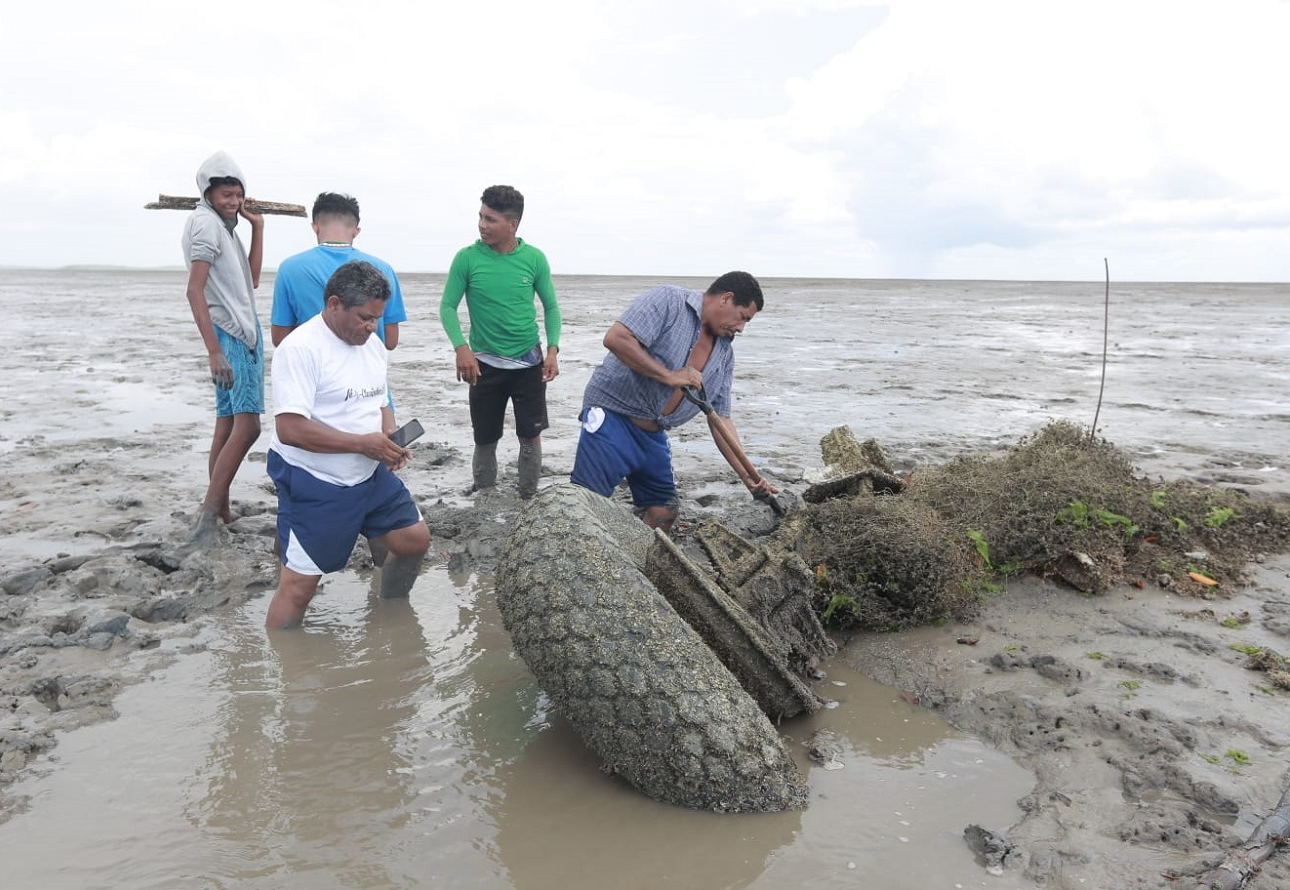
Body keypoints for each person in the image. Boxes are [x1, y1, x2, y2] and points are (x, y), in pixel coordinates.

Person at [264, 260, 431, 630]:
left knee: (414, 540)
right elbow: (290, 428)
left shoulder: (371, 344)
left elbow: (380, 398)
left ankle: (391, 613)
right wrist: (363, 444)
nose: (373, 328)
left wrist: (388, 439)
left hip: (369, 473)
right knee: (299, 588)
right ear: (335, 303)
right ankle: (285, 667)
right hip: (315, 479)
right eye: (365, 318)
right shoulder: (300, 349)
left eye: (378, 318)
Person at [570, 271, 778, 534]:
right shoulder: (669, 301)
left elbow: (721, 419)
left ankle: (638, 565)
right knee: (585, 507)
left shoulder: (724, 354)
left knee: (664, 512)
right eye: (743, 318)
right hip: (613, 418)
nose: (741, 328)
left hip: (654, 434)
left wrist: (749, 477)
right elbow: (616, 338)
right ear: (727, 298)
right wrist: (668, 376)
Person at [439, 185, 561, 499]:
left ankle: (528, 495)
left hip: (528, 363)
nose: (482, 224)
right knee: (485, 437)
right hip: (483, 366)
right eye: (481, 216)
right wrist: (461, 347)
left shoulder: (534, 259)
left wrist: (552, 350)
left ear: (512, 225)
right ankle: (484, 492)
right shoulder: (466, 258)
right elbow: (447, 307)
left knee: (530, 436)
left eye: (490, 219)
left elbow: (551, 307)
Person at [181, 150, 266, 542]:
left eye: (237, 195)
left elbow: (250, 282)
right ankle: (208, 512)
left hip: (239, 331)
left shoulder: (225, 227)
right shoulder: (205, 226)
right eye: (225, 195)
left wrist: (257, 228)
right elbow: (194, 290)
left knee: (227, 425)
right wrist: (214, 350)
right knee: (247, 428)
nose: (233, 202)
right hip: (230, 335)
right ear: (208, 193)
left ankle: (222, 510)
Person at [270, 192, 407, 355]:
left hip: (313, 365)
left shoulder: (289, 268)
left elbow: (279, 338)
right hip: (367, 368)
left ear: (315, 227)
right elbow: (391, 341)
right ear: (356, 231)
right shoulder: (383, 269)